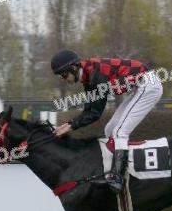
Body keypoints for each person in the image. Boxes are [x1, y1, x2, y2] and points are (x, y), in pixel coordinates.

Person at [50, 50, 163, 193]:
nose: (63, 79)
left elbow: (95, 114)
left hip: (149, 86)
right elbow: (89, 110)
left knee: (120, 132)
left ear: (73, 67)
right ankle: (110, 168)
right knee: (110, 130)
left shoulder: (95, 76)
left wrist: (70, 127)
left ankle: (118, 177)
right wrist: (67, 125)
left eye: (63, 74)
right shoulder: (88, 74)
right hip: (140, 85)